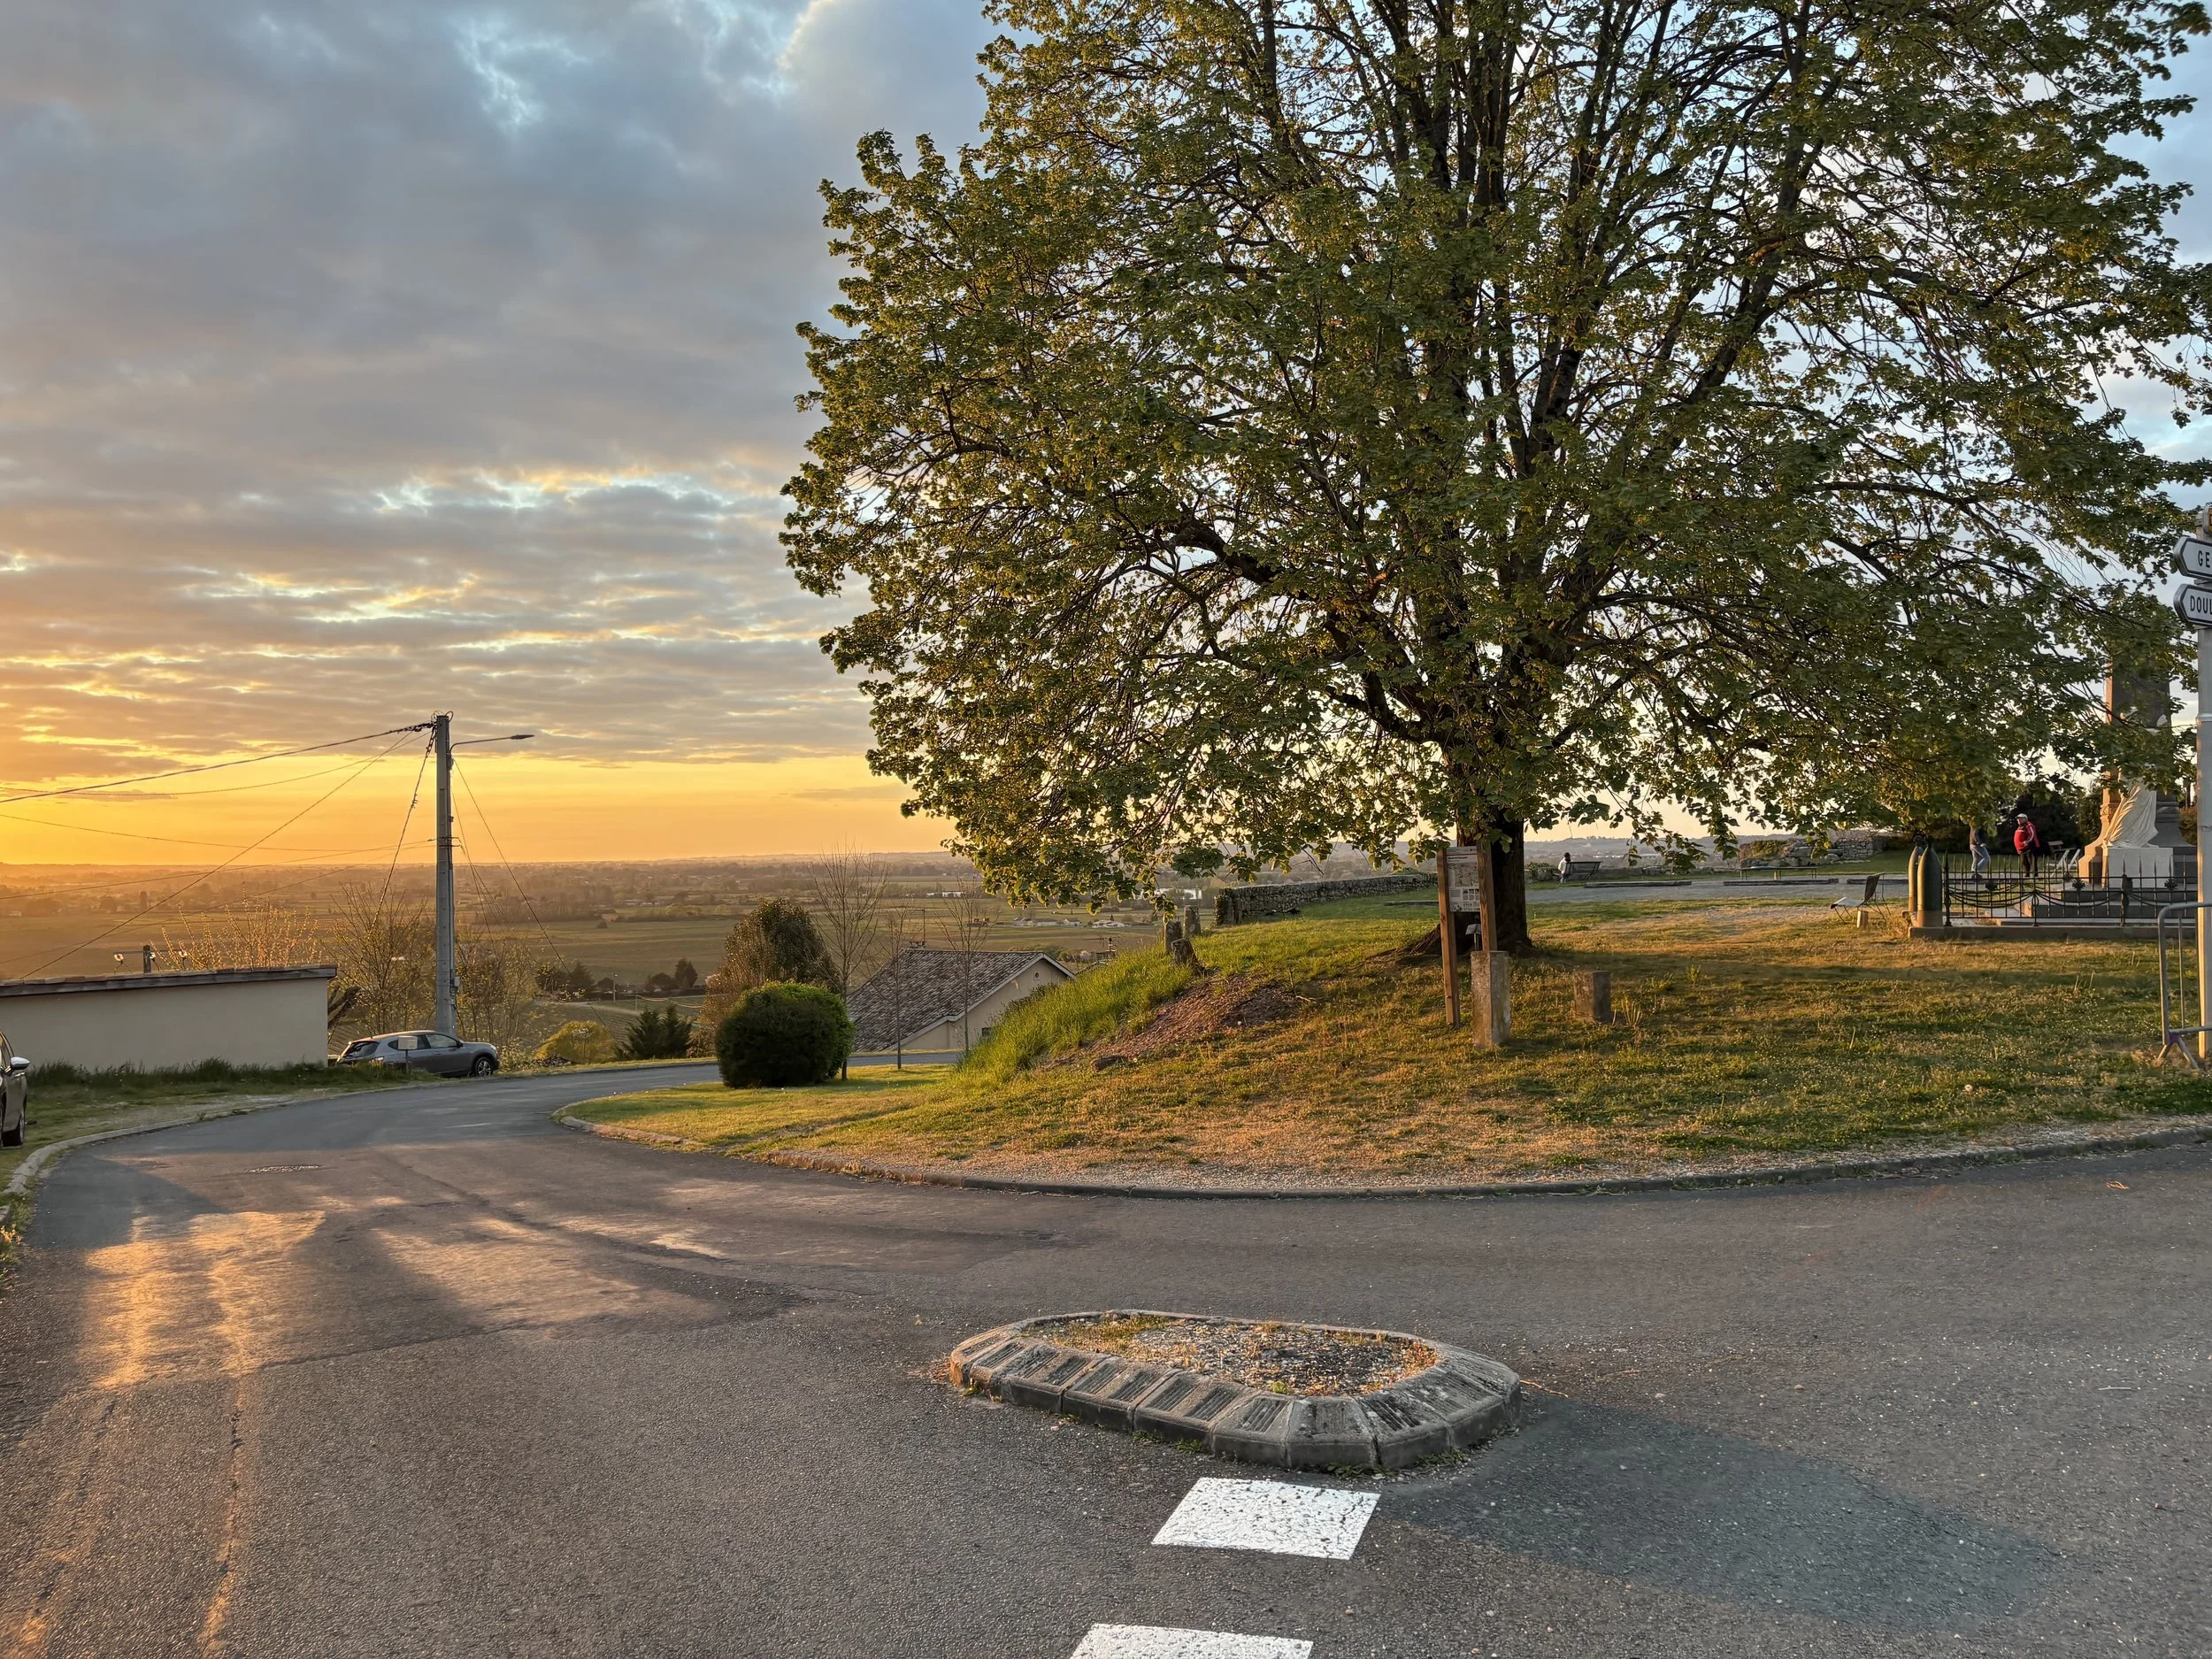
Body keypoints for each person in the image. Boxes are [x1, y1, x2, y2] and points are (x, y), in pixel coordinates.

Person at [2013, 814, 2041, 879]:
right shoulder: (2019, 827)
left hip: (2031, 845)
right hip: (2022, 848)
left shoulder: (2029, 825)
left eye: (2020, 818)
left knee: (2032, 861)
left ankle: (2035, 875)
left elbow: (2032, 834)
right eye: (2017, 819)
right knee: (2024, 861)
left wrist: (2027, 841)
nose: (2018, 820)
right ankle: (2027, 874)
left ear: (2025, 819)